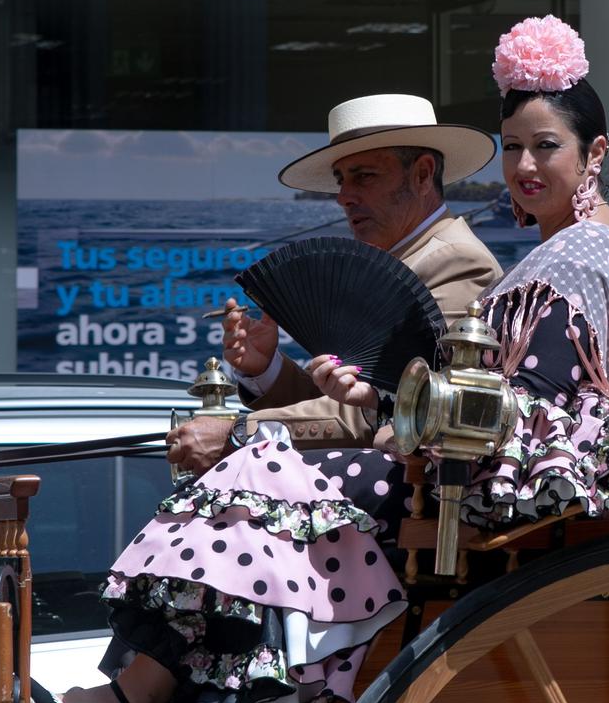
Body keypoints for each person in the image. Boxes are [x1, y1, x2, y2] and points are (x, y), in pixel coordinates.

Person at [32, 16, 609, 703]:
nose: (525, 166)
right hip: (460, 484)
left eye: (547, 146)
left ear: (593, 152)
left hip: (498, 506)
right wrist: (379, 401)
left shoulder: (580, 255)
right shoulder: (562, 251)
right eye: (513, 147)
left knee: (258, 474)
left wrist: (383, 416)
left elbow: (527, 411)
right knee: (259, 473)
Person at [167, 93, 504, 476]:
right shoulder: (406, 259)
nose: (344, 196)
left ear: (423, 174)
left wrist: (239, 432)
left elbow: (391, 414)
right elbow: (359, 403)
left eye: (365, 176)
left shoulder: (458, 261)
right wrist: (267, 370)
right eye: (341, 180)